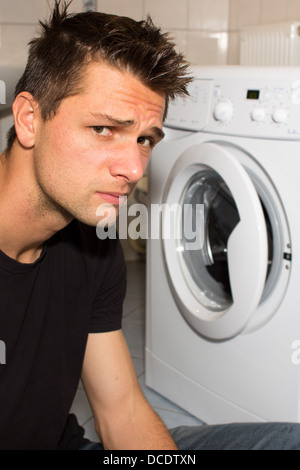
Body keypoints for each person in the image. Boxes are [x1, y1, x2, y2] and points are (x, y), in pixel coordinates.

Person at [0, 0, 300, 450]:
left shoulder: (94, 243)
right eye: (103, 129)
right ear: (29, 119)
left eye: (144, 140)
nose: (135, 169)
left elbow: (121, 412)